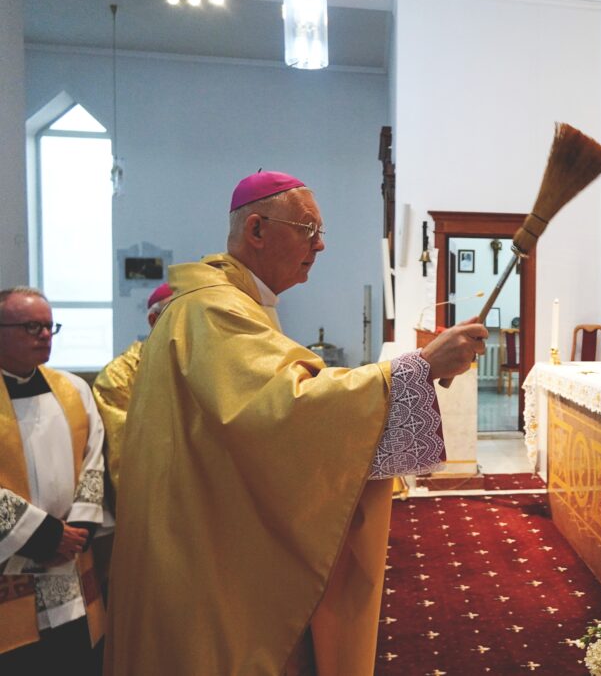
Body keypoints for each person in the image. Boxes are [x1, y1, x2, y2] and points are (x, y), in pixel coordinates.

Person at [104, 171, 487, 676]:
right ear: (256, 230)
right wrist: (419, 368)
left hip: (208, 530)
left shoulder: (231, 301)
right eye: (308, 230)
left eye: (320, 232)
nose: (320, 245)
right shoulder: (213, 308)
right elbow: (284, 409)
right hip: (200, 556)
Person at [0, 287, 107, 674]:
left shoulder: (74, 389)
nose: (45, 335)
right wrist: (44, 534)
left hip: (72, 558)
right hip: (14, 562)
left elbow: (93, 459)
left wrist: (79, 528)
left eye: (49, 326)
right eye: (31, 327)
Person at [92, 282, 173, 512]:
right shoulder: (119, 376)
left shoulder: (206, 366)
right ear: (154, 320)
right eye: (179, 316)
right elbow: (127, 449)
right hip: (154, 500)